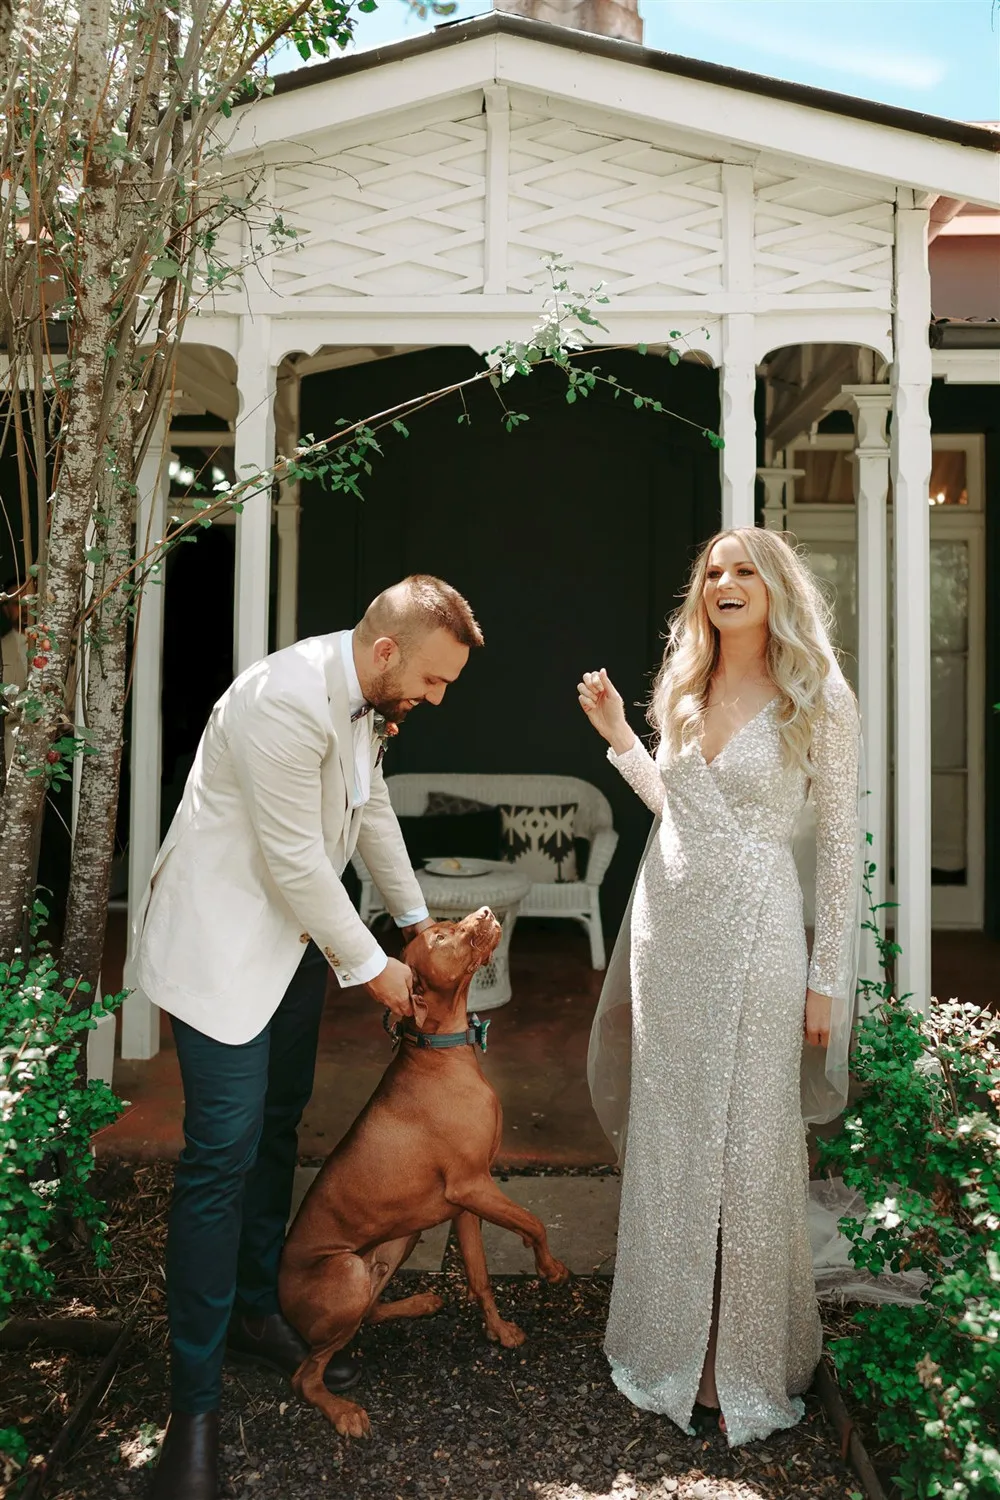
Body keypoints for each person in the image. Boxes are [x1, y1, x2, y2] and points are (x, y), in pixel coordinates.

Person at [128, 575, 483, 1500]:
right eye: (434, 682)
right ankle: (191, 1409)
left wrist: (411, 922)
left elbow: (366, 815)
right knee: (221, 1157)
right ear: (385, 653)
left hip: (289, 955)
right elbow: (293, 859)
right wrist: (377, 970)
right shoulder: (281, 702)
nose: (436, 700)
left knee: (279, 1127)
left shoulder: (365, 700)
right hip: (219, 955)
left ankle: (253, 1313)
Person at [578, 528, 862, 1448]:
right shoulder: (685, 689)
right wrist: (624, 736)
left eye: (744, 570)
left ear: (777, 588)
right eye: (712, 572)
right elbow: (678, 804)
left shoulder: (819, 699)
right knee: (676, 1134)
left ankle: (734, 1358)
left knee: (748, 1140)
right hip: (672, 929)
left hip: (758, 932)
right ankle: (667, 1339)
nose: (726, 583)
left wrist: (828, 980)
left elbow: (845, 853)